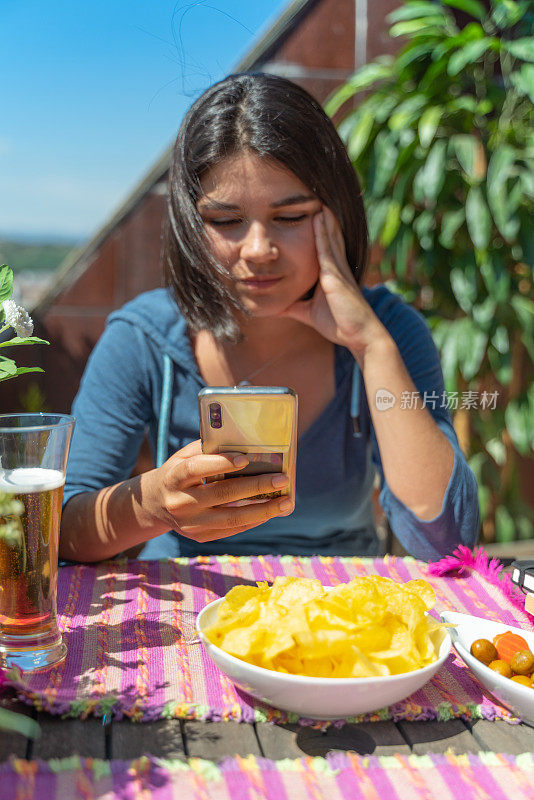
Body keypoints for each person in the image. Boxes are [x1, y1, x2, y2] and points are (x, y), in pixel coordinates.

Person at [60, 73, 479, 564]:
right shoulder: (144, 338)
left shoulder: (389, 329)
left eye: (291, 216)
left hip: (343, 613)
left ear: (337, 215)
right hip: (187, 613)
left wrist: (370, 346)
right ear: (189, 225)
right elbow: (65, 529)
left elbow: (449, 542)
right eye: (225, 221)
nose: (259, 250)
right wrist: (154, 504)